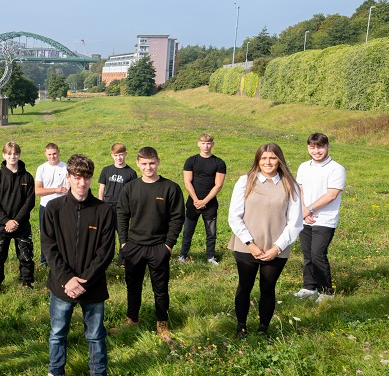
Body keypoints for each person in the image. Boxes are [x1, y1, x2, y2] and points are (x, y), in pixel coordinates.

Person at [39, 154, 116, 376]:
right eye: (77, 177)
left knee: (95, 335)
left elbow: (106, 252)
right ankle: (55, 375)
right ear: (68, 177)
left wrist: (83, 281)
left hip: (91, 287)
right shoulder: (54, 208)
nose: (82, 183)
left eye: (86, 177)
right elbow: (49, 247)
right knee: (57, 332)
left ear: (91, 178)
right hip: (62, 285)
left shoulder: (104, 210)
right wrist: (67, 279)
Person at [228, 143, 303, 335]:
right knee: (245, 285)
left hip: (276, 247)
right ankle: (241, 326)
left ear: (279, 160)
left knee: (268, 287)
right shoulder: (246, 181)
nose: (268, 162)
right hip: (247, 246)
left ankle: (263, 329)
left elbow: (295, 222)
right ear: (257, 160)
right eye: (263, 158)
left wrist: (277, 248)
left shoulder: (290, 185)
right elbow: (234, 216)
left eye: (272, 158)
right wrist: (250, 244)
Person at [116, 147, 185, 342]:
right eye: (144, 164)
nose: (148, 167)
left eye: (152, 163)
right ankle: (132, 319)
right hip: (134, 246)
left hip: (159, 246)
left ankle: (162, 323)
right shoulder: (130, 188)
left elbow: (177, 217)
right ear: (138, 163)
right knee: (133, 286)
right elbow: (121, 214)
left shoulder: (170, 188)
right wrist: (123, 243)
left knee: (161, 288)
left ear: (158, 162)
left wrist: (169, 245)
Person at [295, 133, 345, 303]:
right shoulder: (303, 167)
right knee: (307, 254)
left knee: (318, 254)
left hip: (325, 219)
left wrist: (309, 209)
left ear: (327, 147)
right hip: (305, 217)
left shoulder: (336, 168)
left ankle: (326, 292)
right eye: (312, 147)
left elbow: (331, 195)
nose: (316, 151)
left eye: (320, 147)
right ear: (308, 148)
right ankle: (309, 287)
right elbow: (299, 190)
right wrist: (302, 210)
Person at [0, 141, 36, 289]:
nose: (12, 156)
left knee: (26, 256)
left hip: (22, 225)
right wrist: (6, 221)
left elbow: (30, 202)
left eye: (15, 153)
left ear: (19, 155)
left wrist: (16, 221)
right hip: (2, 225)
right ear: (4, 155)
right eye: (9, 154)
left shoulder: (27, 177)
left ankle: (26, 282)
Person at [178, 134, 227, 265]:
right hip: (193, 202)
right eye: (203, 143)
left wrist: (204, 201)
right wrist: (196, 200)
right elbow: (187, 182)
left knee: (211, 233)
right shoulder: (191, 161)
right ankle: (183, 255)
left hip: (210, 204)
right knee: (188, 231)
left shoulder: (219, 163)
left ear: (212, 144)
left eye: (208, 143)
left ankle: (211, 257)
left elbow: (219, 185)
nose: (206, 146)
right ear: (198, 144)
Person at [97, 143, 138, 264]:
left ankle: (123, 261)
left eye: (121, 155)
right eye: (116, 155)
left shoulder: (131, 173)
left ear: (125, 154)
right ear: (112, 156)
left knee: (123, 235)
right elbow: (101, 190)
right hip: (107, 207)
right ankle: (105, 260)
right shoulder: (106, 170)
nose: (118, 158)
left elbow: (133, 194)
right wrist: (101, 205)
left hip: (122, 208)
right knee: (105, 236)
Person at [34, 142, 69, 264]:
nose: (52, 157)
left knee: (61, 233)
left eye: (54, 154)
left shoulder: (65, 167)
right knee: (45, 234)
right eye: (49, 154)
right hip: (45, 206)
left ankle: (61, 259)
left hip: (62, 206)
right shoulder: (41, 168)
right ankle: (44, 261)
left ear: (58, 152)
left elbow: (69, 188)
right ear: (45, 154)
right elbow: (38, 190)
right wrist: (56, 189)